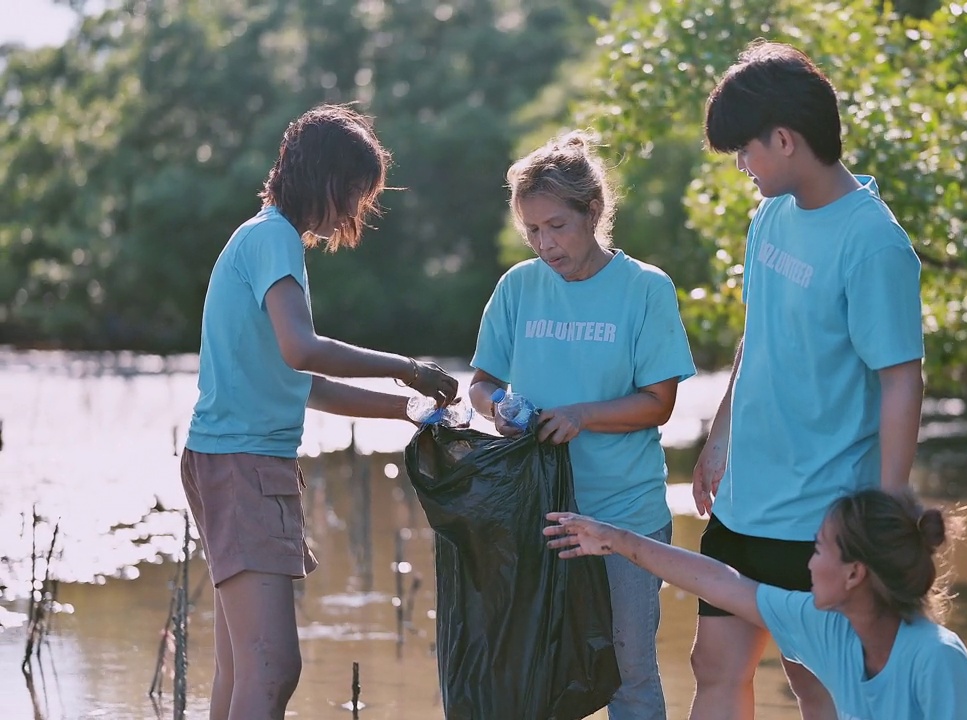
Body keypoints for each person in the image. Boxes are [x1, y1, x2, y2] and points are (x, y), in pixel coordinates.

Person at [181, 104, 459, 720]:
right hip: (241, 462)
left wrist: (405, 408)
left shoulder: (262, 238)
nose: (353, 212)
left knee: (243, 666)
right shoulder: (273, 237)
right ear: (325, 178)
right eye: (355, 192)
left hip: (233, 458)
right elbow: (302, 349)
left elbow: (303, 384)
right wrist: (407, 366)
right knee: (274, 666)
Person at [688, 41, 927, 719]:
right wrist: (719, 437)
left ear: (785, 139)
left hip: (820, 516)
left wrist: (884, 512)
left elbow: (902, 383)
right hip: (744, 499)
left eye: (746, 150)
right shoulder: (770, 216)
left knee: (819, 684)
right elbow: (757, 337)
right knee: (714, 666)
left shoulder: (874, 244)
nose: (742, 165)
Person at [468, 131, 697, 720]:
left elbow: (657, 403)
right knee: (533, 672)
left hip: (625, 515)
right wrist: (499, 408)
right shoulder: (517, 287)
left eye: (557, 226)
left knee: (630, 678)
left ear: (592, 212)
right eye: (533, 231)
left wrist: (581, 416)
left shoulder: (646, 288)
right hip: (537, 516)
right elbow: (482, 382)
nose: (546, 244)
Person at [546, 489, 967, 720]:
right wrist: (615, 538)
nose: (809, 562)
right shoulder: (829, 627)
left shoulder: (934, 656)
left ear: (854, 574)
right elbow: (721, 583)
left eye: (819, 548)